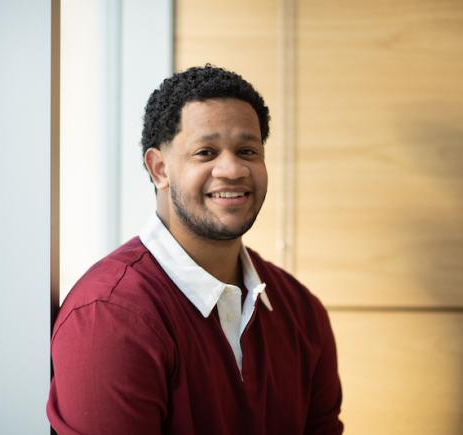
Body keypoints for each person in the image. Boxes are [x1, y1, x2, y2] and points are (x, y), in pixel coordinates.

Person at [47, 65, 344, 434]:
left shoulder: (301, 310)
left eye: (247, 150)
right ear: (159, 169)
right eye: (206, 152)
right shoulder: (109, 316)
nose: (233, 169)